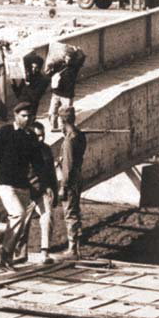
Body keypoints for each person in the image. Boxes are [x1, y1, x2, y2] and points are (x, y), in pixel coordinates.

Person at [0, 102, 44, 270]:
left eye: (30, 116)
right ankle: (5, 254)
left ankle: (3, 251)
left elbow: (38, 163)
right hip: (5, 183)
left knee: (20, 223)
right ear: (16, 116)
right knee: (18, 214)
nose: (27, 119)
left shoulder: (31, 136)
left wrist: (46, 184)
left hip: (23, 185)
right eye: (24, 116)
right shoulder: (5, 132)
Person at [57, 106, 88, 259]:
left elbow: (67, 166)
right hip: (77, 177)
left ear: (62, 120)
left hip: (70, 181)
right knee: (75, 211)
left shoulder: (69, 141)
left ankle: (72, 249)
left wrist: (63, 186)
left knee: (70, 214)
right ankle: (76, 247)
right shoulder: (79, 136)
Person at [27, 121, 59, 265]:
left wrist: (55, 191)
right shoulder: (24, 150)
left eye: (43, 135)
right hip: (27, 191)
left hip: (43, 190)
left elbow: (51, 172)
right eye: (37, 136)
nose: (41, 139)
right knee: (21, 223)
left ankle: (45, 251)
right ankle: (15, 251)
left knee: (47, 218)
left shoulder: (46, 149)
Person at [45, 45, 86, 131]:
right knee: (52, 112)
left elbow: (82, 57)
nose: (68, 60)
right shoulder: (59, 65)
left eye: (70, 58)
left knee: (65, 115)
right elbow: (49, 74)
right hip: (56, 93)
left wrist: (77, 49)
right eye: (67, 58)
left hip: (67, 95)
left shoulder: (74, 67)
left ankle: (63, 129)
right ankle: (54, 127)